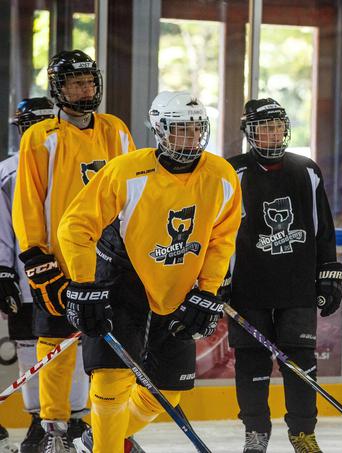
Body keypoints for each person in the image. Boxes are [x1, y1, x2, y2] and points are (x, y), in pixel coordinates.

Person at [57, 91, 241, 453]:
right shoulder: (126, 170)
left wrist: (209, 290)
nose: (189, 138)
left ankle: (101, 436)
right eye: (179, 130)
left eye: (195, 129)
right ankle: (107, 448)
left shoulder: (221, 175)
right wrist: (83, 283)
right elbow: (75, 226)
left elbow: (222, 237)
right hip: (121, 280)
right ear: (159, 130)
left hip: (178, 288)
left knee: (169, 389)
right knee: (112, 379)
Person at [12, 50, 136, 452]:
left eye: (89, 81)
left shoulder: (116, 130)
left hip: (110, 259)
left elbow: (133, 192)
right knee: (55, 343)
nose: (85, 89)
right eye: (74, 82)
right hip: (60, 260)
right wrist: (35, 256)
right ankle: (54, 429)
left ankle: (112, 427)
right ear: (57, 89)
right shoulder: (41, 137)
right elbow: (28, 202)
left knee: (113, 344)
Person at [227, 98, 342, 453]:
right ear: (250, 132)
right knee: (251, 363)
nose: (272, 133)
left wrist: (329, 275)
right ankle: (256, 431)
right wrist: (215, 280)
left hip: (297, 287)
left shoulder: (306, 170)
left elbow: (323, 227)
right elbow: (216, 233)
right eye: (264, 127)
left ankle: (303, 433)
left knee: (301, 363)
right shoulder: (230, 172)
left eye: (277, 125)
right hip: (248, 287)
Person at [0, 98, 93, 453]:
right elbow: (4, 231)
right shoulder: (9, 170)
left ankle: (76, 419)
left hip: (74, 271)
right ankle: (41, 421)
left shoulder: (80, 160)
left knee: (79, 344)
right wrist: (4, 270)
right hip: (27, 281)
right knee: (32, 349)